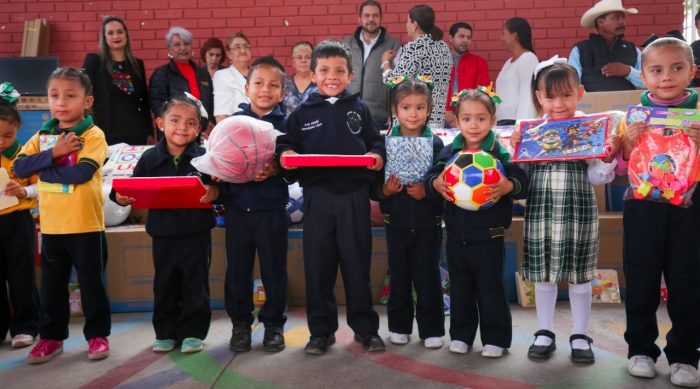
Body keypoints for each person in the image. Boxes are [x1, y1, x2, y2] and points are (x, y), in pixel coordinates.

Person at [276, 40, 385, 355]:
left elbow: (376, 143)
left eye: (339, 70)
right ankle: (321, 332)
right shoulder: (301, 113)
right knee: (318, 268)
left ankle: (366, 329)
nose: (332, 76)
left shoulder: (360, 109)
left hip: (354, 198)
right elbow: (285, 144)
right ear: (313, 75)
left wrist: (376, 155)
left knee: (356, 266)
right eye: (324, 70)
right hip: (318, 199)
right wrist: (287, 154)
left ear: (350, 75)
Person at [510, 58, 620, 364]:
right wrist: (515, 150)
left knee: (580, 275)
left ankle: (580, 334)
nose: (559, 104)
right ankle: (544, 331)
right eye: (550, 96)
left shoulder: (588, 129)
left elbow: (598, 177)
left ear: (580, 93)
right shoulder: (531, 132)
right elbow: (518, 178)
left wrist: (608, 155)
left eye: (566, 95)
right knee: (544, 275)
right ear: (538, 97)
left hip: (579, 210)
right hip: (541, 210)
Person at [617, 37, 700, 388]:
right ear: (644, 76)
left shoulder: (697, 115)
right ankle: (641, 350)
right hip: (642, 206)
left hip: (688, 207)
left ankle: (683, 356)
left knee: (687, 280)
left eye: (676, 67)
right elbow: (621, 166)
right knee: (640, 280)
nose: (666, 76)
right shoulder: (633, 116)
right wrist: (629, 142)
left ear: (692, 71)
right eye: (656, 70)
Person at [14, 67, 111, 364]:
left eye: (70, 96)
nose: (61, 102)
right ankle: (51, 338)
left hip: (86, 224)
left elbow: (82, 173)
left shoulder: (93, 134)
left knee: (91, 284)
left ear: (87, 100)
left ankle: (97, 336)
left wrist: (41, 169)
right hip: (52, 226)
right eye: (54, 95)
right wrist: (55, 153)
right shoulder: (43, 135)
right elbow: (19, 167)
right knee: (52, 286)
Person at [113, 96, 220, 354]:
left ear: (199, 129)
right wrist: (119, 196)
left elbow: (222, 187)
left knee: (195, 284)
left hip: (196, 233)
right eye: (175, 120)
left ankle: (193, 333)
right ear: (160, 123)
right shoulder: (149, 159)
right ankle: (165, 333)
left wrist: (215, 191)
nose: (182, 127)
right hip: (163, 234)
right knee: (165, 284)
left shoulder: (204, 158)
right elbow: (129, 187)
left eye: (191, 122)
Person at [428, 87, 527, 358]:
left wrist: (509, 186)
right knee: (460, 287)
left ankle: (496, 339)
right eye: (467, 118)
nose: (474, 125)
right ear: (457, 121)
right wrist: (435, 183)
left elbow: (522, 182)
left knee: (490, 287)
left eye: (481, 118)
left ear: (493, 121)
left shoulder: (500, 152)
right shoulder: (451, 152)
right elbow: (433, 176)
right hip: (456, 234)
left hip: (489, 234)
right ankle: (461, 335)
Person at [224, 56, 289, 354]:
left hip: (271, 211)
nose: (266, 90)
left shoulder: (287, 126)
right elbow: (221, 160)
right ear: (247, 88)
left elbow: (294, 166)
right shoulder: (233, 124)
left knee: (274, 270)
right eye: (259, 84)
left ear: (282, 91)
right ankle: (240, 325)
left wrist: (277, 168)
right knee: (238, 272)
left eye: (273, 85)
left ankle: (274, 325)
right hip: (238, 210)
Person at [376, 76, 444, 348]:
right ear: (395, 109)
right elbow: (375, 188)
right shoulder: (384, 143)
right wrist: (387, 192)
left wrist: (427, 191)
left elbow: (444, 181)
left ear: (428, 109)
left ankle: (432, 330)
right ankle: (399, 326)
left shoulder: (437, 144)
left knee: (428, 276)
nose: (413, 113)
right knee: (400, 276)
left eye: (419, 107)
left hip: (428, 222)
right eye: (406, 107)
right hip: (397, 221)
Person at [0, 82, 40, 349]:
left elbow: (42, 187)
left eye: (8, 135)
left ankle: (25, 327)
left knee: (21, 274)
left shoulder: (24, 155)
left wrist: (24, 191)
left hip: (18, 222)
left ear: (17, 130)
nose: (1, 141)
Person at [82, 15, 152, 145]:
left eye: (120, 32)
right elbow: (83, 95)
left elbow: (143, 101)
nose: (116, 36)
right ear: (104, 37)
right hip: (104, 132)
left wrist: (149, 131)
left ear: (126, 35)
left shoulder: (137, 64)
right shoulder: (94, 61)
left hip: (135, 131)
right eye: (110, 33)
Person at [381, 4, 453, 129]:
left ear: (414, 24)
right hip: (437, 117)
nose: (406, 25)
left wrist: (385, 63)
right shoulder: (444, 47)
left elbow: (392, 80)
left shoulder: (415, 47)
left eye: (407, 21)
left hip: (414, 119)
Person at [344, 0, 401, 130]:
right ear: (359, 19)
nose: (371, 19)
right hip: (349, 112)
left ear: (381, 18)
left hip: (379, 116)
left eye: (375, 15)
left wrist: (393, 112)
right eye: (367, 15)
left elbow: (399, 82)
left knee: (376, 150)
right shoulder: (346, 44)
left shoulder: (393, 45)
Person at [569, 0, 644, 91]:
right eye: (616, 18)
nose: (622, 22)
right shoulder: (580, 50)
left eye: (623, 17)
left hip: (626, 104)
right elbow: (572, 83)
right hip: (592, 104)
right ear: (600, 22)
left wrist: (628, 71)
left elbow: (648, 82)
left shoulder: (633, 50)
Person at [149, 27, 214, 127]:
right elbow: (157, 105)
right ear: (170, 49)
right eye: (177, 45)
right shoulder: (161, 74)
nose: (183, 48)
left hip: (201, 130)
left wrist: (208, 124)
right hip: (175, 131)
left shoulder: (203, 73)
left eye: (186, 44)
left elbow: (210, 102)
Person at [444, 22, 490, 128]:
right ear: (451, 38)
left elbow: (482, 94)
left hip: (468, 118)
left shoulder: (479, 63)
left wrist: (463, 115)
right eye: (461, 36)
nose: (465, 40)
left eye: (468, 37)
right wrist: (443, 113)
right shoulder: (438, 62)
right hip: (439, 116)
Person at [495, 17, 539, 122]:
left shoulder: (528, 59)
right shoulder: (508, 63)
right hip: (502, 122)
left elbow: (527, 96)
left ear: (514, 36)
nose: (501, 38)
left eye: (504, 34)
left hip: (516, 122)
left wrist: (522, 125)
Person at [213, 32, 252, 123]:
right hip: (237, 130)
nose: (243, 50)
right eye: (237, 47)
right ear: (229, 54)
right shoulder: (222, 76)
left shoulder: (257, 74)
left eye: (246, 46)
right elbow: (221, 115)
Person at [283, 41, 317, 115]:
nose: (303, 60)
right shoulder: (283, 83)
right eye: (299, 57)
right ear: (293, 62)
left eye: (308, 57)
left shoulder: (320, 83)